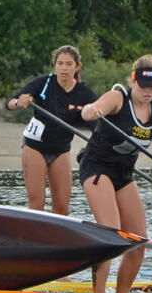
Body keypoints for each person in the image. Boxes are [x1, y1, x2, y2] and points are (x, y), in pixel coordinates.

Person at [78, 56, 152, 293]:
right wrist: (90, 110)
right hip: (96, 168)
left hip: (124, 174)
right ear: (133, 80)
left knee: (138, 242)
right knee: (112, 236)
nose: (149, 91)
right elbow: (89, 110)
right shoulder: (117, 98)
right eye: (144, 86)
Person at [5, 45, 98, 215]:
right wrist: (19, 102)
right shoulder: (44, 83)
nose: (64, 68)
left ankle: (57, 240)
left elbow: (98, 124)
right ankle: (35, 239)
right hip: (35, 147)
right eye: (60, 63)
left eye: (69, 64)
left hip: (61, 150)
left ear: (77, 67)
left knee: (62, 206)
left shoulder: (84, 93)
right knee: (37, 203)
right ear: (54, 65)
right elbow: (10, 103)